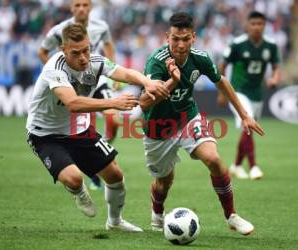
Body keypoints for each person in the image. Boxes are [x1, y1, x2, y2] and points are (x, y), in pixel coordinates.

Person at [27, 23, 169, 232]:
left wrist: (146, 82)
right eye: (76, 53)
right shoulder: (54, 69)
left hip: (77, 130)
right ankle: (79, 192)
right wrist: (114, 103)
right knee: (75, 179)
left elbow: (126, 73)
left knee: (115, 176)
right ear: (63, 50)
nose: (83, 57)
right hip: (44, 134)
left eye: (87, 49)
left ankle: (115, 221)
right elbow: (73, 103)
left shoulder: (94, 61)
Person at [139, 12, 264, 235]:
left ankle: (231, 216)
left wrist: (244, 114)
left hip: (188, 117)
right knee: (164, 182)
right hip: (158, 128)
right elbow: (145, 103)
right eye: (175, 39)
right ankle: (157, 213)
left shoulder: (200, 58)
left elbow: (221, 80)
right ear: (167, 36)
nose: (180, 44)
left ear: (193, 37)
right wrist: (173, 81)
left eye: (185, 39)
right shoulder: (156, 62)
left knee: (214, 159)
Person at [38, 0, 118, 190]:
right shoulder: (60, 30)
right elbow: (42, 51)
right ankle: (93, 167)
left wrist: (112, 72)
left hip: (97, 79)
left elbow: (109, 47)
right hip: (73, 84)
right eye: (77, 5)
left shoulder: (101, 26)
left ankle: (97, 159)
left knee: (114, 121)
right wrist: (58, 76)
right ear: (71, 8)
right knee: (83, 125)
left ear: (91, 7)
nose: (81, 8)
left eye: (85, 5)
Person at [217, 11, 280, 180]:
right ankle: (253, 167)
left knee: (247, 130)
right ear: (247, 25)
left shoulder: (271, 46)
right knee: (249, 124)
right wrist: (223, 92)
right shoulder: (237, 44)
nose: (257, 27)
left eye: (260, 24)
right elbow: (222, 66)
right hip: (237, 92)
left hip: (257, 94)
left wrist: (274, 78)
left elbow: (275, 66)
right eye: (253, 24)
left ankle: (236, 165)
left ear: (264, 25)